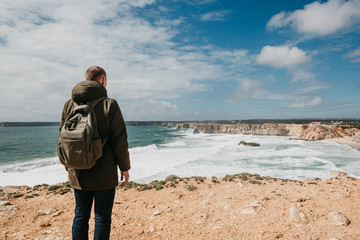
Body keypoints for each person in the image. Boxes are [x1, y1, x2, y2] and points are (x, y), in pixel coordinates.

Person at [59, 66, 130, 240]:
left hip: (77, 171)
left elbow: (62, 135)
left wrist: (69, 166)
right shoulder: (109, 104)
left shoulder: (69, 104)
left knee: (80, 216)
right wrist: (125, 168)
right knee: (102, 218)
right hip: (104, 173)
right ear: (103, 80)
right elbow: (119, 140)